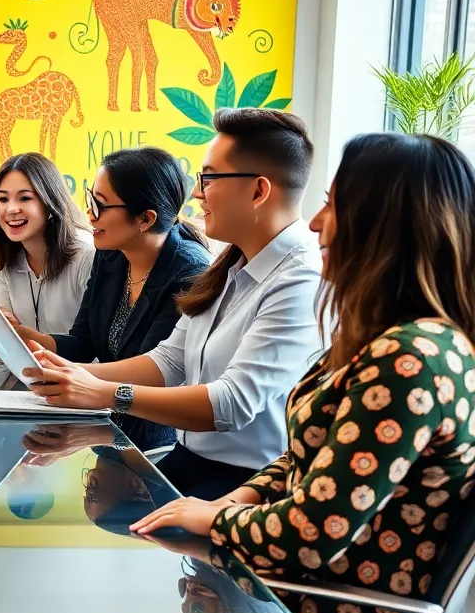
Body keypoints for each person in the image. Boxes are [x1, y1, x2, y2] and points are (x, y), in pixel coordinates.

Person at [132, 132, 475, 613]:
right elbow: (303, 457)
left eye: (332, 207)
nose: (315, 223)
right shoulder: (380, 338)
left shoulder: (410, 358)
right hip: (305, 610)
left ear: (385, 226)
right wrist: (233, 502)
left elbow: (314, 534)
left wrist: (214, 523)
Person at [26, 109, 322, 499]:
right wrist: (72, 375)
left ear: (258, 191)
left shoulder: (300, 277)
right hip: (189, 459)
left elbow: (231, 403)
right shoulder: (231, 261)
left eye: (209, 178)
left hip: (249, 482)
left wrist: (103, 392)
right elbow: (170, 360)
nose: (197, 193)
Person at [2, 147, 210, 451]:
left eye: (100, 206)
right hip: (102, 422)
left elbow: (156, 373)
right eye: (90, 199)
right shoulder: (110, 255)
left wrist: (68, 373)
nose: (89, 214)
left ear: (144, 219)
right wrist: (29, 339)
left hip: (153, 442)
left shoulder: (189, 271)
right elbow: (83, 341)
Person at [0, 152, 94, 338]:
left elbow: (91, 344)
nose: (11, 209)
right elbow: (6, 334)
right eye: (3, 199)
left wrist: (15, 330)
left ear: (50, 202)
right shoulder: (7, 258)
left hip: (80, 367)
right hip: (28, 366)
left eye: (25, 198)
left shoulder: (86, 254)